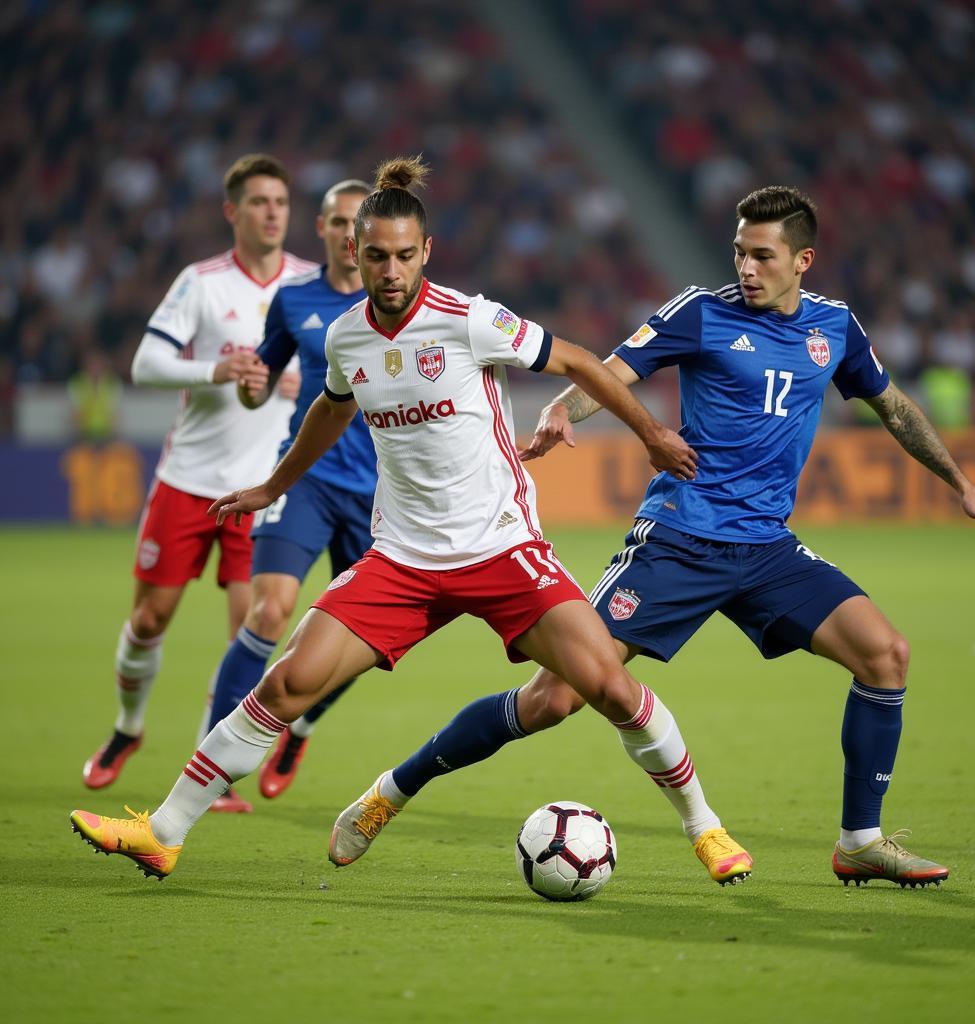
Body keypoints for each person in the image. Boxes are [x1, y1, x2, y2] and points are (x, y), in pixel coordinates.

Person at [69, 156, 751, 887]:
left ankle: (704, 827)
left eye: (403, 255)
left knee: (610, 688)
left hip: (501, 549)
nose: (390, 270)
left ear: (425, 252)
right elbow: (328, 411)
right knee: (286, 684)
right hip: (403, 560)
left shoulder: (469, 320)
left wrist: (650, 434)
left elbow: (581, 361)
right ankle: (163, 832)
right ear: (354, 253)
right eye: (375, 256)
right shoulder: (345, 338)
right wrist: (270, 483)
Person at [323, 185, 975, 889]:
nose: (745, 266)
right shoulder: (701, 312)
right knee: (552, 700)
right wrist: (563, 410)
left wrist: (961, 485)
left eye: (763, 256)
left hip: (767, 548)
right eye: (739, 251)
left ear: (803, 259)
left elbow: (891, 406)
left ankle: (860, 841)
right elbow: (610, 370)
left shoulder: (835, 329)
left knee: (885, 654)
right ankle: (393, 790)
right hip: (678, 539)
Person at [81, 154, 317, 809]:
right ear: (232, 211)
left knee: (251, 627)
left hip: (264, 488)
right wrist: (218, 370)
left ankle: (209, 770)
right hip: (188, 481)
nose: (272, 212)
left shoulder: (309, 285)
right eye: (259, 201)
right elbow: (147, 363)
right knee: (150, 618)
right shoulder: (202, 283)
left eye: (280, 202)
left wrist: (303, 383)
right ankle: (128, 728)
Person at [196, 178, 377, 811]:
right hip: (308, 481)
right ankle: (213, 769)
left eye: (361, 225)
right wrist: (248, 383)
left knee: (363, 646)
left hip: (385, 498)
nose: (349, 237)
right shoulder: (294, 299)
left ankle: (299, 726)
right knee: (270, 612)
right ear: (323, 230)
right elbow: (261, 384)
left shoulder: (405, 309)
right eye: (338, 223)